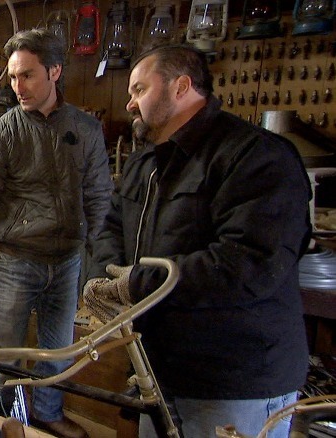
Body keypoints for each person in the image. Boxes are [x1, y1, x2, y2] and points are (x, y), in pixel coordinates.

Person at [84, 44, 311, 438]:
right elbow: (109, 228)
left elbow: (247, 263)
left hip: (232, 381)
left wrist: (135, 284)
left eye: (139, 90)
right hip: (158, 370)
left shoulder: (254, 157)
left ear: (180, 86)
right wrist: (102, 278)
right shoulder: (146, 164)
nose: (130, 105)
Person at [0, 27, 113, 438]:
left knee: (59, 353)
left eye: (27, 75)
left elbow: (99, 196)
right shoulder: (2, 133)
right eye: (12, 77)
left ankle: (46, 413)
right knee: (1, 358)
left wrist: (94, 259)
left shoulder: (85, 130)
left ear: (55, 71)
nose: (17, 86)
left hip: (67, 261)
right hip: (15, 260)